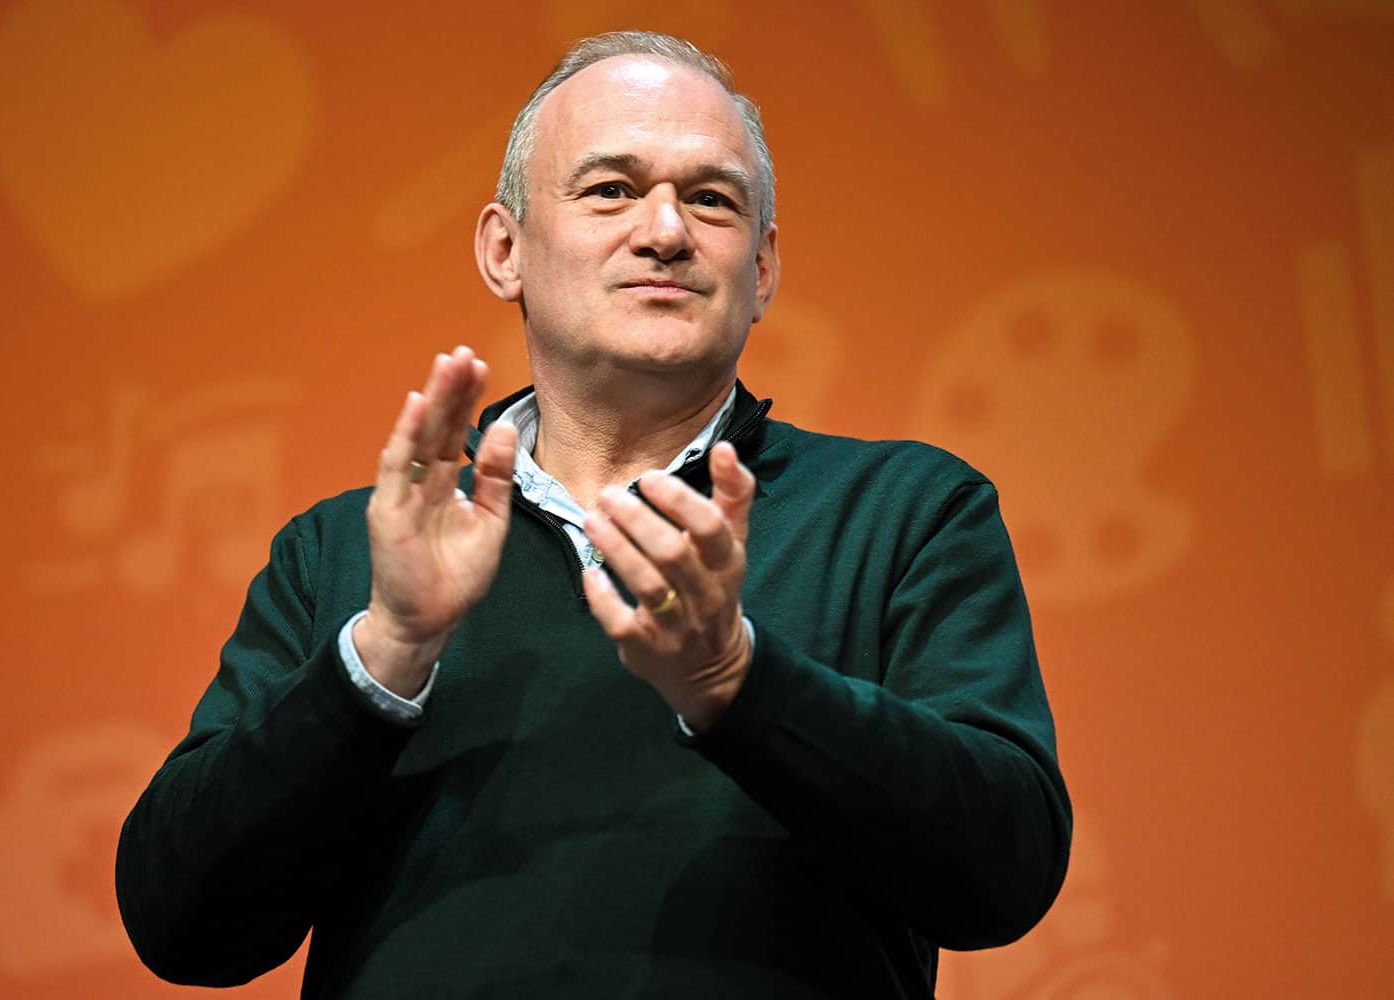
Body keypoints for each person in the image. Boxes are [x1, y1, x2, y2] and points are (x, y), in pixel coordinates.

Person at [116, 30, 1071, 999]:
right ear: (505, 248)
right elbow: (182, 921)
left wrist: (738, 683)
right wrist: (386, 655)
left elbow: (1005, 868)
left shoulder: (904, 516)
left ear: (766, 268)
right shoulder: (348, 552)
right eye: (611, 189)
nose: (665, 231)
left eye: (711, 199)